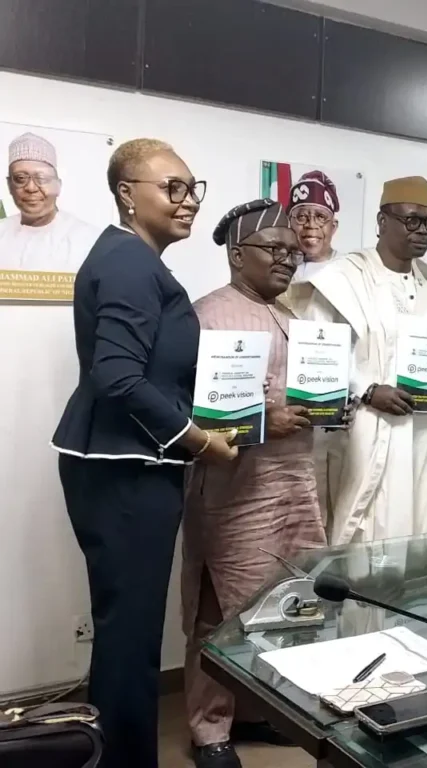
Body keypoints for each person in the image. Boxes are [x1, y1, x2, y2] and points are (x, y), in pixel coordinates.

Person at [51, 139, 237, 768]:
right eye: (172, 188)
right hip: (125, 470)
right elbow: (118, 377)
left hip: (128, 464)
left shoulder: (133, 258)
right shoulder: (130, 263)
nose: (188, 201)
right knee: (130, 637)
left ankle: (114, 756)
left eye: (193, 188)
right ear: (128, 194)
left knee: (126, 633)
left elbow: (146, 374)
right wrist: (199, 440)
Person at [183, 199, 351, 768]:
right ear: (237, 255)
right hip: (234, 491)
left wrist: (337, 404)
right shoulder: (206, 316)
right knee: (222, 612)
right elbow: (188, 415)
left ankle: (258, 710)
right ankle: (209, 729)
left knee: (286, 604)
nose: (287, 259)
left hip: (295, 483)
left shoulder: (294, 318)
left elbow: (307, 395)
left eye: (292, 251)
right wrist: (262, 421)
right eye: (273, 249)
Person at [289, 176, 427, 544]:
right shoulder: (343, 279)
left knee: (420, 533)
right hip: (365, 432)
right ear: (382, 221)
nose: (422, 230)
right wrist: (367, 390)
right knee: (364, 541)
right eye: (411, 220)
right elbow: (316, 360)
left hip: (424, 435)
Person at [0, 132, 101, 272]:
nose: (31, 188)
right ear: (9, 185)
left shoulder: (89, 240)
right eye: (20, 178)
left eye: (42, 178)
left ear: (58, 186)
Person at [287, 170, 342, 286]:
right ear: (290, 223)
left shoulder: (347, 270)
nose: (311, 225)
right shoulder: (279, 268)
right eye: (302, 217)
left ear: (333, 227)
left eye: (321, 217)